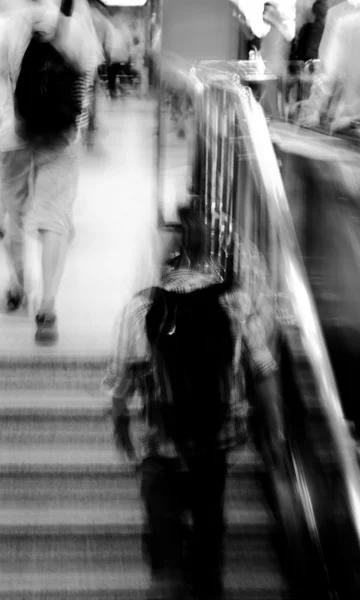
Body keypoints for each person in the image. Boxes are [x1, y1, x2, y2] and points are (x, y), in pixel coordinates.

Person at [103, 206, 284, 600]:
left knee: (164, 543)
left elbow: (121, 385)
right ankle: (206, 579)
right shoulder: (233, 302)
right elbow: (264, 369)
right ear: (210, 257)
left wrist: (123, 432)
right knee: (208, 526)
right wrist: (271, 429)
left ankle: (168, 574)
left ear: (164, 260)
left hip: (159, 442)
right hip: (214, 439)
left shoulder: (141, 307)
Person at [0, 0, 102, 344]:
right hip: (62, 135)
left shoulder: (4, 21)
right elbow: (88, 77)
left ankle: (21, 288)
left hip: (14, 133)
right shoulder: (75, 20)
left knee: (15, 214)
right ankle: (48, 304)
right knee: (55, 215)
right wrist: (80, 123)